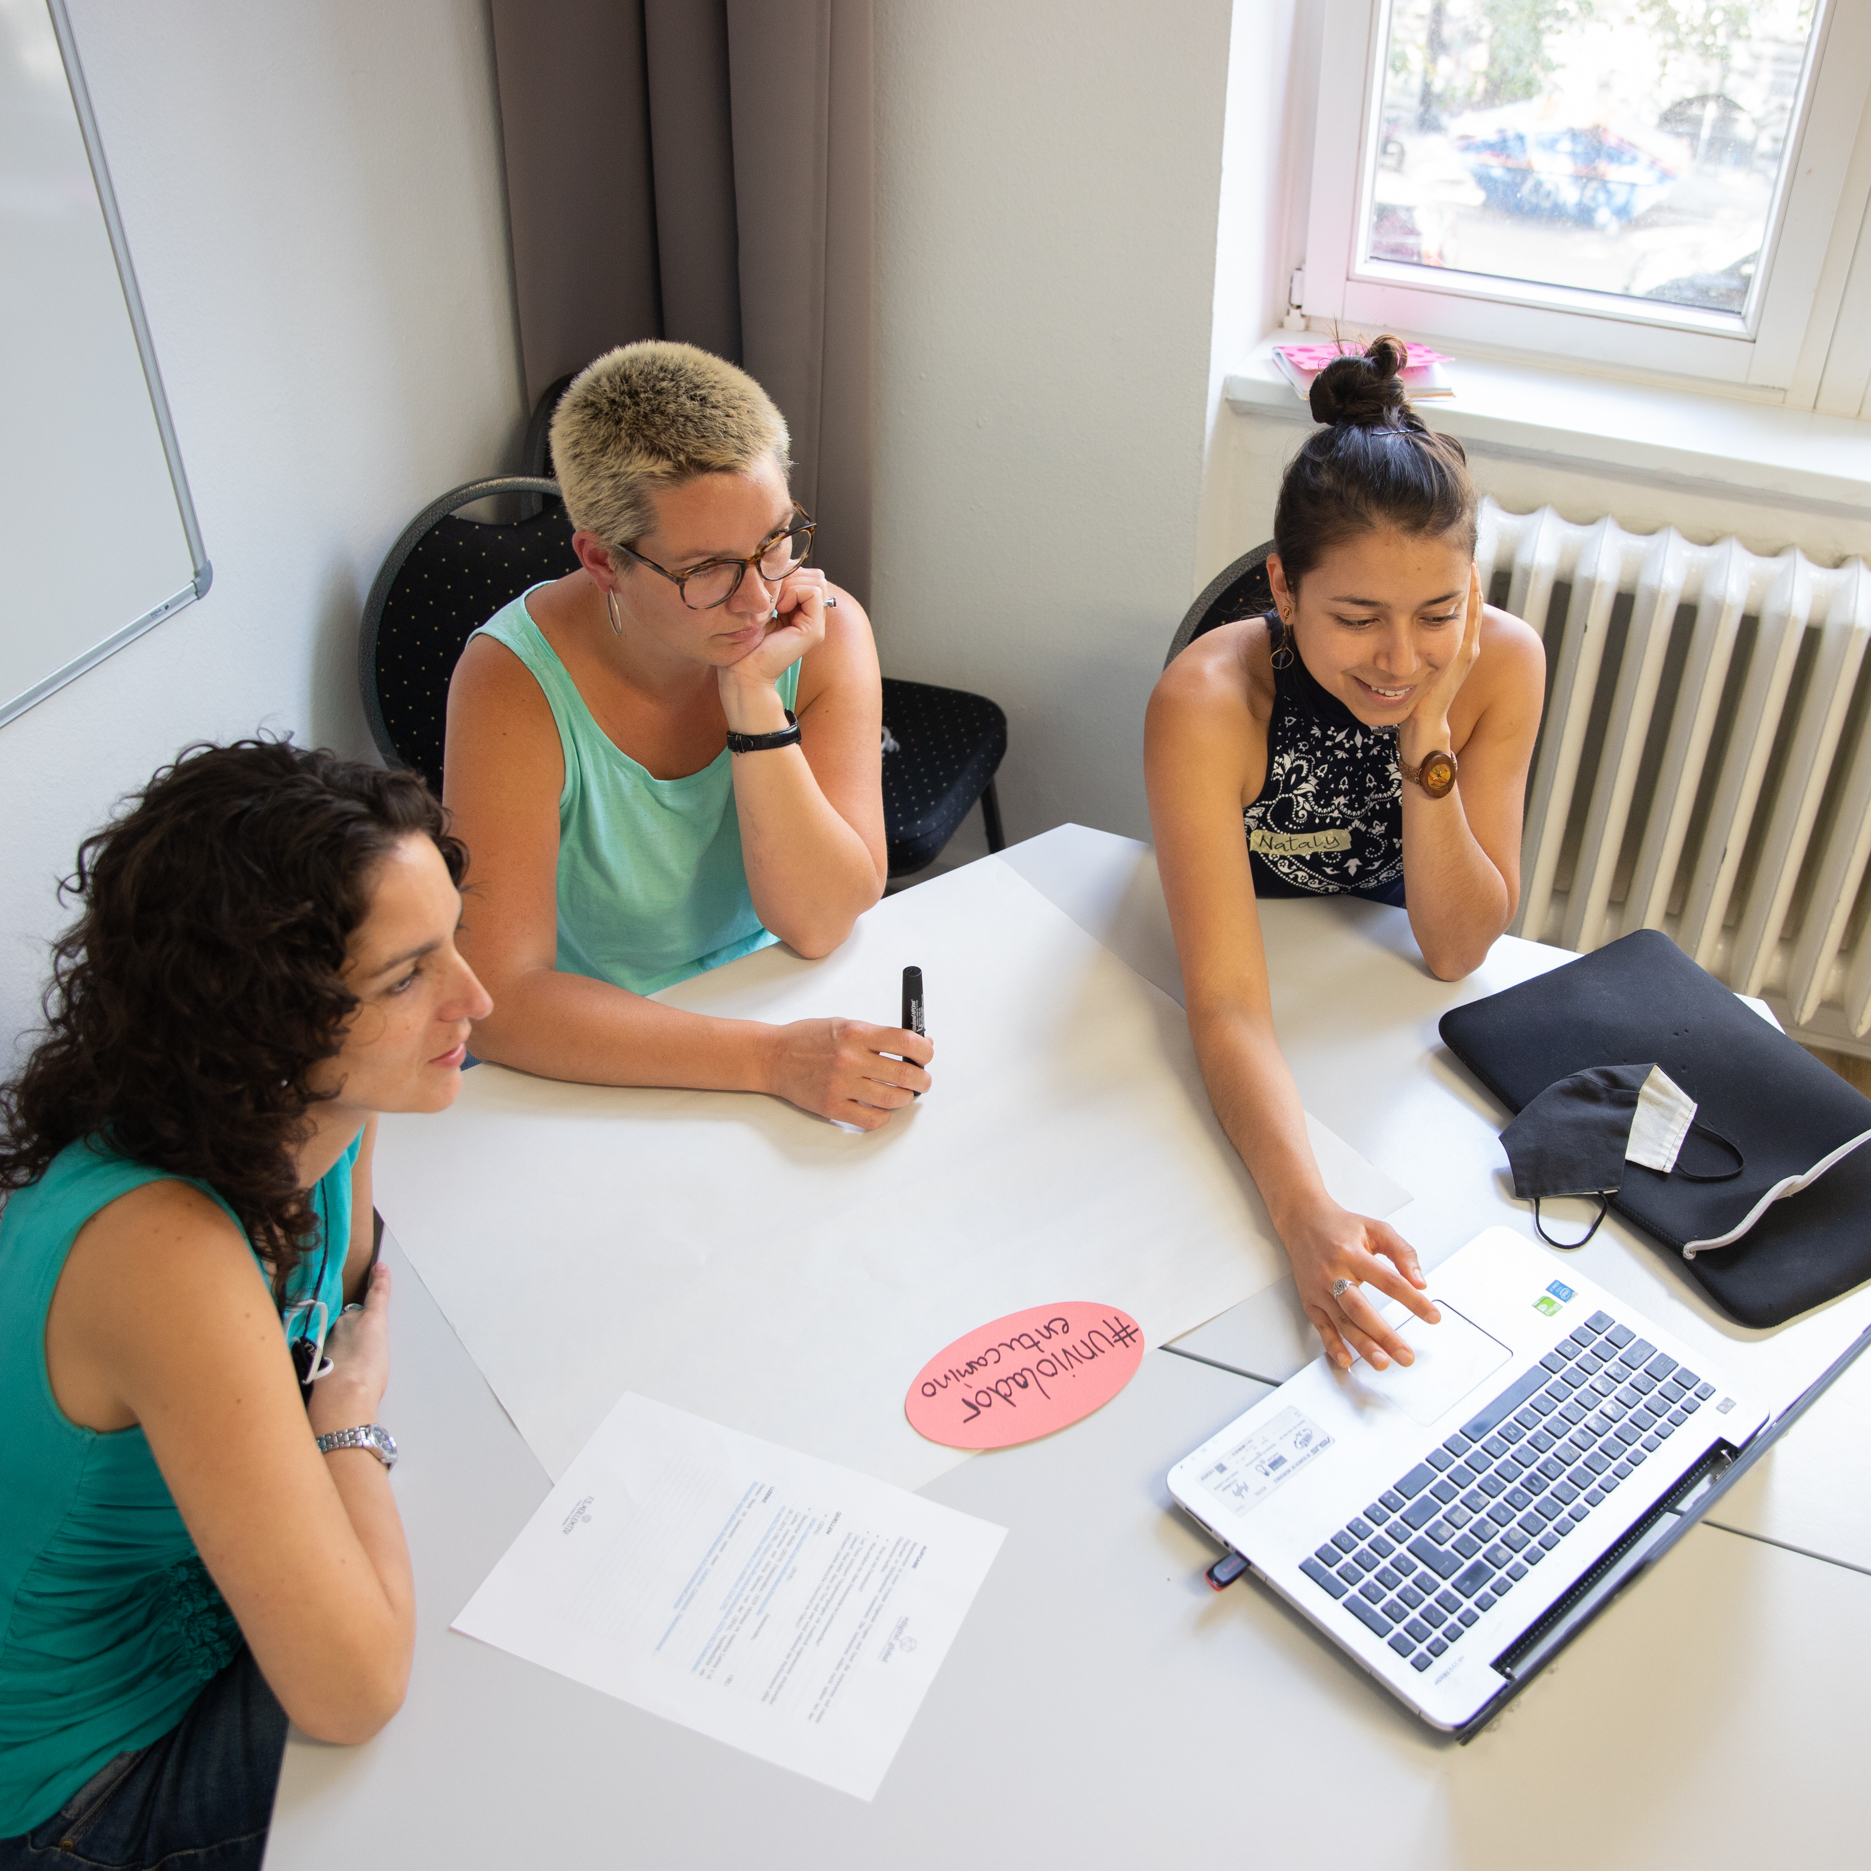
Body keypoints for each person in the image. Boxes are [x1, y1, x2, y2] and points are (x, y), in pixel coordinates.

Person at [0, 741, 493, 1870]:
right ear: (263, 1015)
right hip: (88, 1783)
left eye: (452, 939)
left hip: (213, 1626)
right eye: (407, 975)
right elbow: (352, 1687)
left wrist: (339, 1409)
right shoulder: (160, 1249)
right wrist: (346, 1430)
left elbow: (343, 1306)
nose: (478, 996)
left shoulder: (313, 1117)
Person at [1145, 336, 1545, 1375]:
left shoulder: (1499, 664)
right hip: (1250, 954)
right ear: (1281, 586)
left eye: (1436, 614)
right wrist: (1302, 1204)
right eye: (1358, 618)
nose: (1399, 659)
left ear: (1473, 587)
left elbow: (1456, 945)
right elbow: (1226, 1001)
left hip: (1376, 982)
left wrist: (1427, 735)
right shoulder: (1206, 699)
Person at [445, 340, 931, 1130]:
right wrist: (767, 1061)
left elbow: (818, 921)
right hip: (600, 1053)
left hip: (779, 1000)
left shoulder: (826, 631)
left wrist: (751, 699)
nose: (760, 597)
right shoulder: (508, 681)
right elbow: (504, 1001)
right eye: (706, 568)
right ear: (602, 560)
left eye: (775, 540)